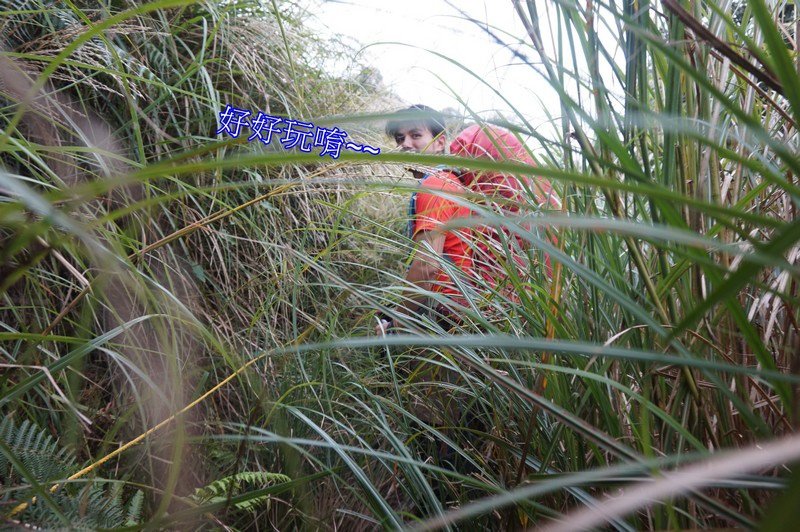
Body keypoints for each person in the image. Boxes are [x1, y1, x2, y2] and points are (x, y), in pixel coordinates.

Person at [376, 105, 473, 335]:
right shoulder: (449, 180)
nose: (405, 144)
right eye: (400, 138)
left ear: (440, 142)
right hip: (456, 306)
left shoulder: (435, 186)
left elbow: (427, 266)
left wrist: (397, 325)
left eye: (416, 135)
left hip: (440, 312)